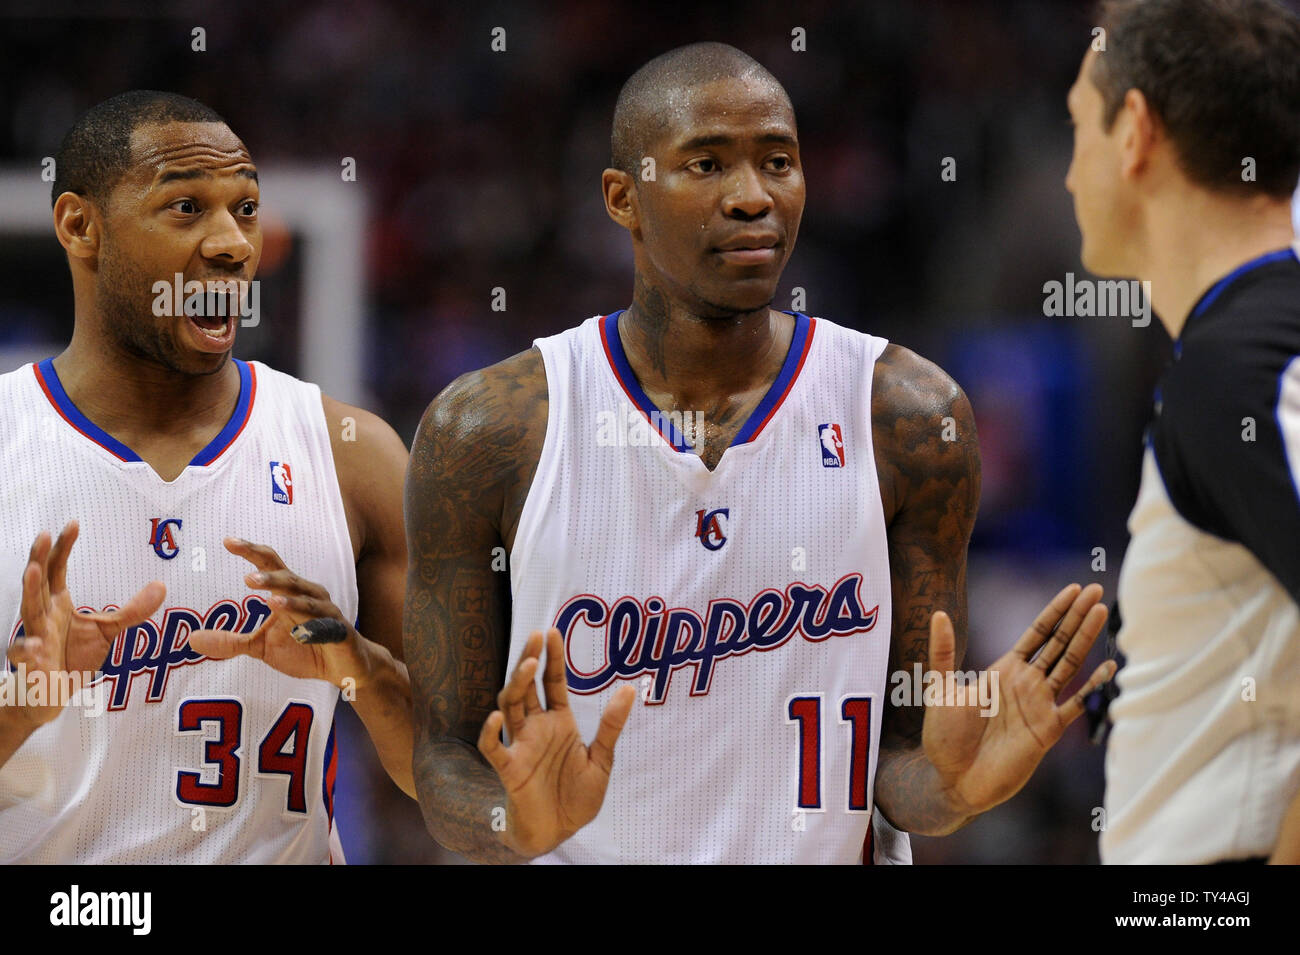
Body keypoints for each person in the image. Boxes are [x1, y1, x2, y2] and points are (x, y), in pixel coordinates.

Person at [405, 42, 1114, 864]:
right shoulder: (486, 430)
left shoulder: (910, 418)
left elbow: (903, 763)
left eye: (778, 161)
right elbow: (446, 755)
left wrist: (952, 790)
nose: (752, 197)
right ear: (622, 198)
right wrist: (510, 822)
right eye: (705, 164)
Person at [0, 90, 413, 863]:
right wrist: (21, 707)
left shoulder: (354, 455)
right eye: (187, 207)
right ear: (78, 226)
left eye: (247, 208)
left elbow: (462, 781)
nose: (233, 244)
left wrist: (363, 670)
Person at [1064, 0, 1300, 864]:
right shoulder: (1236, 351)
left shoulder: (1242, 363)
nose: (1066, 176)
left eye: (1076, 129)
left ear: (1133, 131)